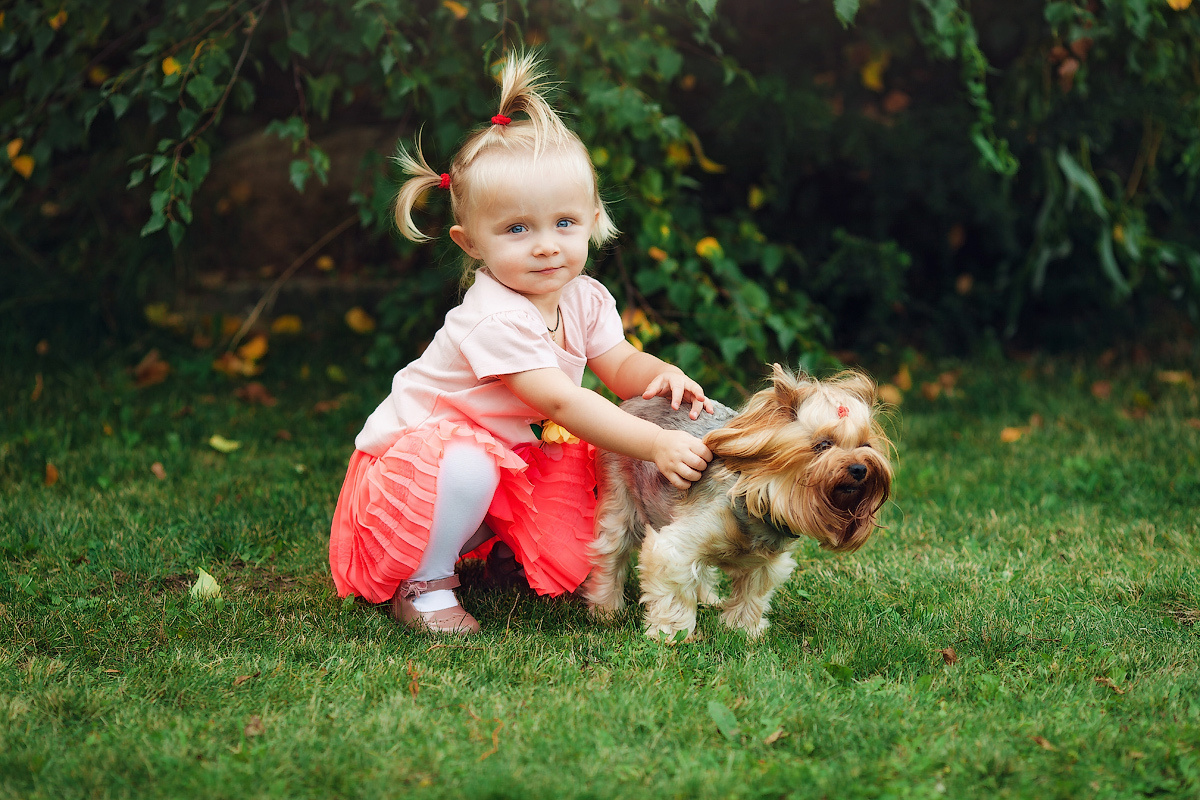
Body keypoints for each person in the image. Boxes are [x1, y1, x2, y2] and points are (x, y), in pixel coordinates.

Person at [329, 52, 714, 635]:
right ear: (470, 242)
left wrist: (661, 374)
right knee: (472, 464)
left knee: (570, 484)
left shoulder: (582, 297)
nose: (546, 246)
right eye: (517, 229)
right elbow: (564, 404)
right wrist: (656, 443)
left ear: (593, 219)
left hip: (498, 462)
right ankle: (424, 581)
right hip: (412, 479)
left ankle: (500, 551)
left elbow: (620, 364)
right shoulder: (494, 320)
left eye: (564, 223)